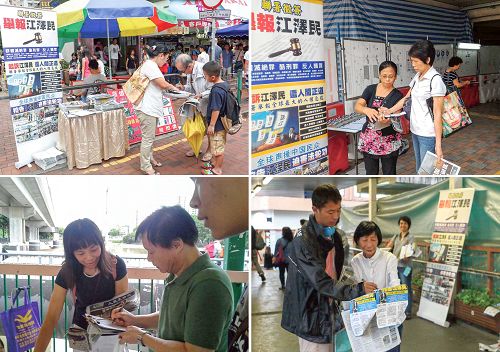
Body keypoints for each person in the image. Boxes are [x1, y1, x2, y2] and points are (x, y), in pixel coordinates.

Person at [113, 206, 233, 352]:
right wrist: (135, 320)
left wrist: (142, 337)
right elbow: (171, 318)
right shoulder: (177, 274)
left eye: (151, 251)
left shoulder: (209, 283)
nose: (148, 258)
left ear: (177, 245)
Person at [281, 184, 372, 351]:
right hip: (311, 315)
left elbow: (339, 271)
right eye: (331, 212)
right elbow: (321, 281)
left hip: (331, 309)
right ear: (315, 209)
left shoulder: (335, 235)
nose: (336, 216)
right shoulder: (303, 241)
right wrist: (357, 290)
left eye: (338, 210)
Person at [34, 219, 128, 352]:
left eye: (94, 249)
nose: (89, 258)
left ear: (101, 243)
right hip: (81, 332)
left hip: (110, 333)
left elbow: (122, 308)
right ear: (71, 252)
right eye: (81, 253)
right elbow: (51, 317)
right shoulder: (68, 271)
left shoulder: (116, 265)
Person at [189, 177, 249, 352]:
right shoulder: (176, 278)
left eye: (198, 181)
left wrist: (142, 337)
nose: (193, 201)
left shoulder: (210, 281)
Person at [381, 40, 446, 172]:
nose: (413, 65)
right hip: (415, 130)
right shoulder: (418, 76)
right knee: (419, 168)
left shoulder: (435, 80)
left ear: (427, 60)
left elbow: (438, 114)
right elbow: (406, 98)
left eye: (416, 61)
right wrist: (389, 111)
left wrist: (438, 146)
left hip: (428, 133)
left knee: (426, 172)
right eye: (412, 61)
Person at [132, 44, 179, 175]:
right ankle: (145, 165)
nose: (166, 62)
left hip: (150, 108)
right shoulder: (150, 66)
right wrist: (175, 88)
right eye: (166, 59)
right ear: (160, 55)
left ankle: (149, 158)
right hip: (146, 108)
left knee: (150, 137)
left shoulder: (151, 65)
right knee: (148, 138)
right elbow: (162, 84)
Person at [355, 61, 404, 175]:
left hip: (388, 139)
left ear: (395, 77)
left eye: (391, 77)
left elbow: (396, 114)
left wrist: (387, 119)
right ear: (379, 75)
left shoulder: (398, 95)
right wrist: (366, 109)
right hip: (369, 139)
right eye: (384, 76)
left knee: (389, 173)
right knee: (371, 174)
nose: (387, 79)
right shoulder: (371, 89)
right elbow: (358, 106)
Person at [175, 54, 213, 161]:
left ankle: (210, 150)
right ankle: (197, 147)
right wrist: (183, 87)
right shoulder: (189, 73)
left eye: (183, 70)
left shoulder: (204, 69)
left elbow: (214, 88)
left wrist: (201, 95)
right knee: (197, 127)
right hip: (196, 105)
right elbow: (191, 88)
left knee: (209, 128)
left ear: (189, 66)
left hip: (207, 104)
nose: (182, 73)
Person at [202, 61, 228, 175]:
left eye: (205, 75)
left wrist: (211, 125)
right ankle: (214, 164)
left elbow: (216, 109)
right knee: (216, 146)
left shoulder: (216, 90)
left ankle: (217, 169)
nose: (204, 77)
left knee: (218, 149)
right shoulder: (224, 84)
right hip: (221, 123)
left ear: (212, 77)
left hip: (217, 125)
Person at [387, 216, 415, 319]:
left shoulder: (411, 237)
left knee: (406, 287)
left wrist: (408, 255)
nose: (403, 225)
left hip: (406, 267)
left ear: (408, 225)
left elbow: (411, 250)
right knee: (397, 288)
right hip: (395, 266)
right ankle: (398, 309)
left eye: (405, 223)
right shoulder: (395, 236)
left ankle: (407, 312)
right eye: (401, 223)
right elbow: (389, 247)